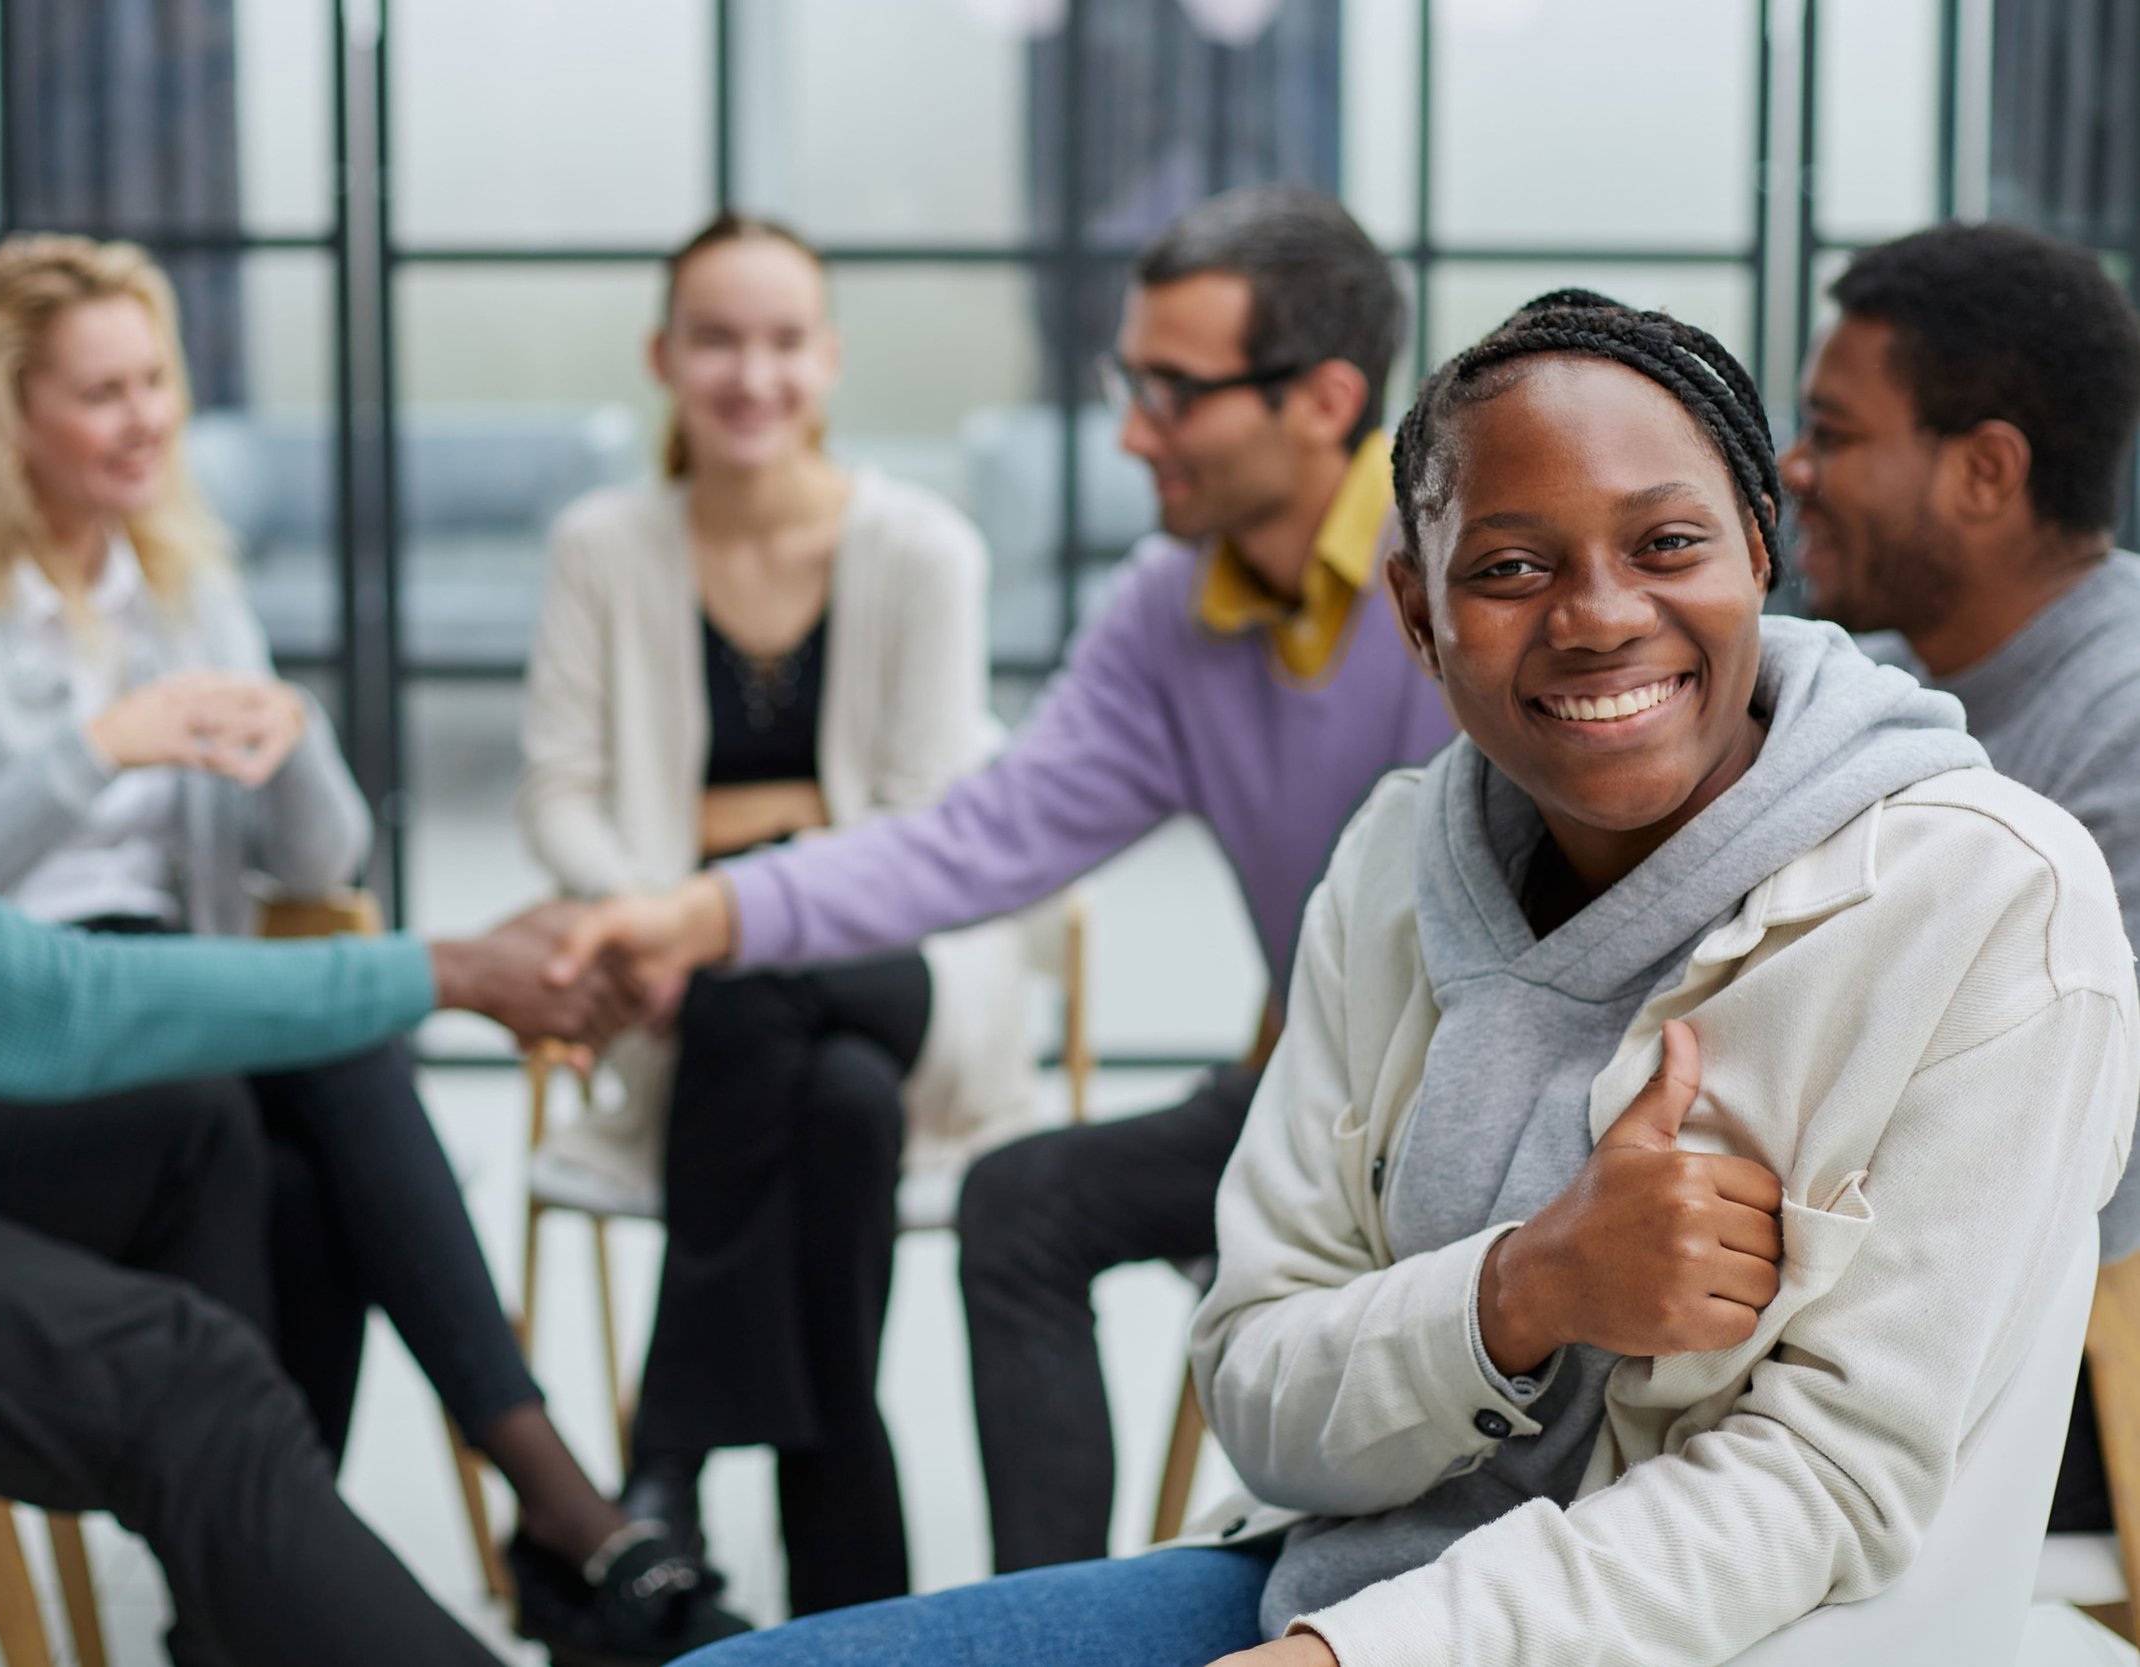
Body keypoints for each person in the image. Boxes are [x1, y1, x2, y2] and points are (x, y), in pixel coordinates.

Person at [654, 292, 2136, 1667]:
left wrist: (1355, 1661)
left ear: (1760, 546)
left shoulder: (1985, 897)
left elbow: (1823, 1486)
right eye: (1507, 568)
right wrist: (1526, 1288)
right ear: (1420, 622)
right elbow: (1260, 1390)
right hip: (1327, 1586)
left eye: (1666, 543)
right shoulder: (1390, 861)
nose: (1598, 612)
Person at [0, 190, 738, 1667]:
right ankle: (471, 1515)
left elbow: (309, 862)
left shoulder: (182, 585)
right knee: (189, 1367)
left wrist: (292, 750)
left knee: (223, 1136)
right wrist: (452, 969)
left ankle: (261, 1585)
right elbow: (20, 1001)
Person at [549, 185, 1455, 1572]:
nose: (1131, 429)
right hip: (1305, 1103)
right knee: (1018, 1204)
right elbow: (979, 837)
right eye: (1130, 382)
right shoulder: (1171, 612)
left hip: (1483, 1121)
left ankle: (671, 1476)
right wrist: (698, 913)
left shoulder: (1462, 570)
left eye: (1172, 391)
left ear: (1325, 399)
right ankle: (1055, 1625)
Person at [518, 210, 1039, 1615]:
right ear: (664, 357)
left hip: (900, 956)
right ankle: (845, 1541)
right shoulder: (601, 545)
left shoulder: (922, 549)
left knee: (765, 987)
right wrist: (673, 904)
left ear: (829, 360)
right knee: (838, 1105)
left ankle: (661, 1462)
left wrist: (701, 901)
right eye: (718, 341)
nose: (752, 375)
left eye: (782, 342)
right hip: (723, 1008)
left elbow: (922, 829)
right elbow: (557, 794)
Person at [1781, 219, 2140, 1533]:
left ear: (1986, 470)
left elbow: (2095, 1143)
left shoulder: (2124, 712)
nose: (1793, 466)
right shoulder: (1883, 694)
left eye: (1838, 431)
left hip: (2062, 1379)